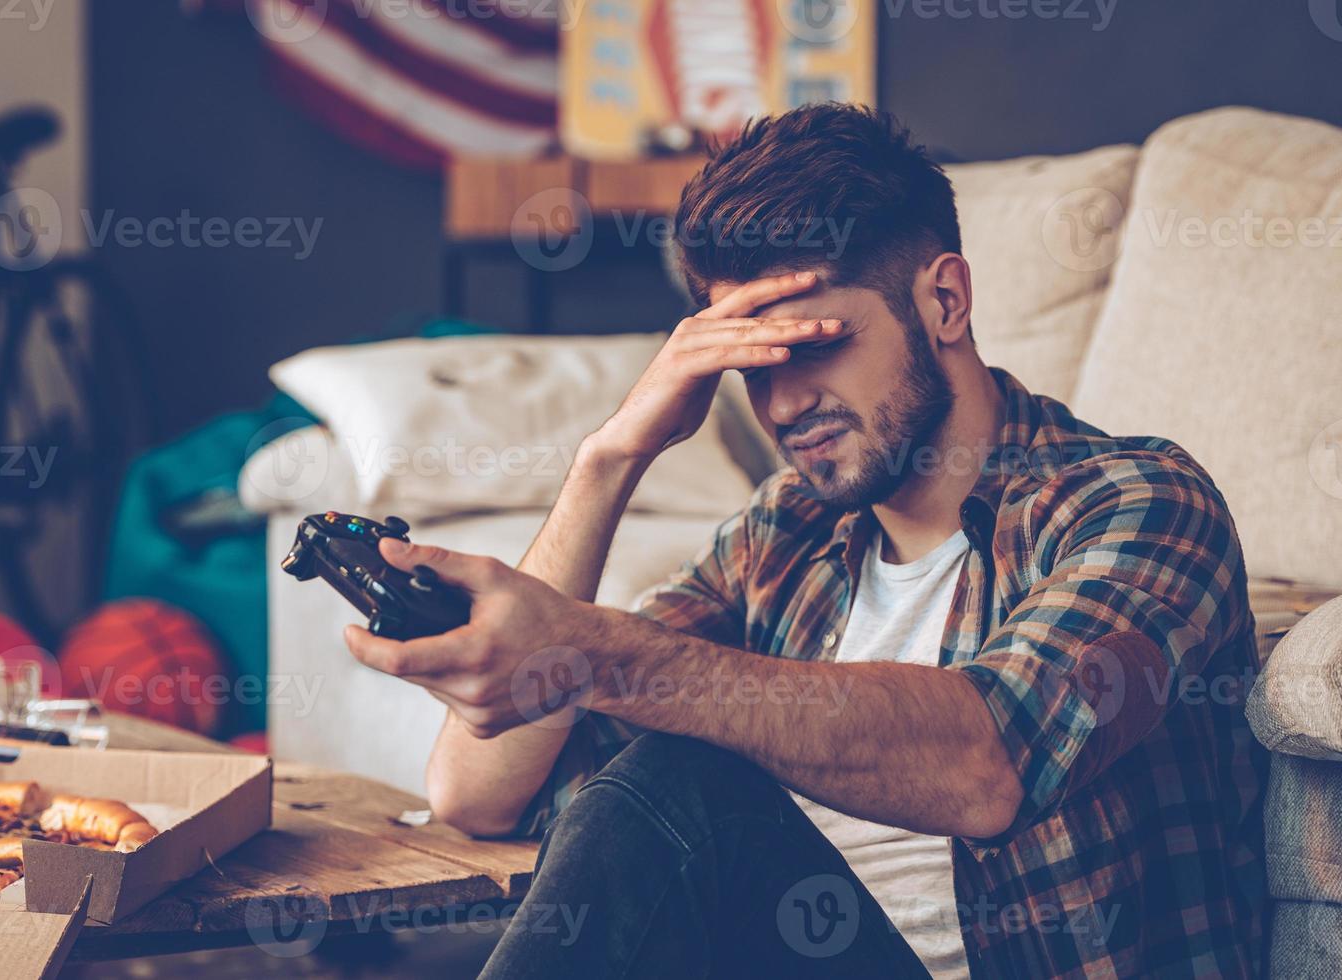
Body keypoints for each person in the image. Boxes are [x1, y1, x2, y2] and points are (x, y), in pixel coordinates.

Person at [343, 103, 1265, 978]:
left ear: (943, 300)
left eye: (812, 342)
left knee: (685, 784)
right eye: (752, 360)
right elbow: (480, 794)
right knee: (648, 787)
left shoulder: (1135, 502)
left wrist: (597, 653)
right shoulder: (787, 531)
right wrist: (610, 456)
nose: (782, 406)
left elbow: (990, 765)